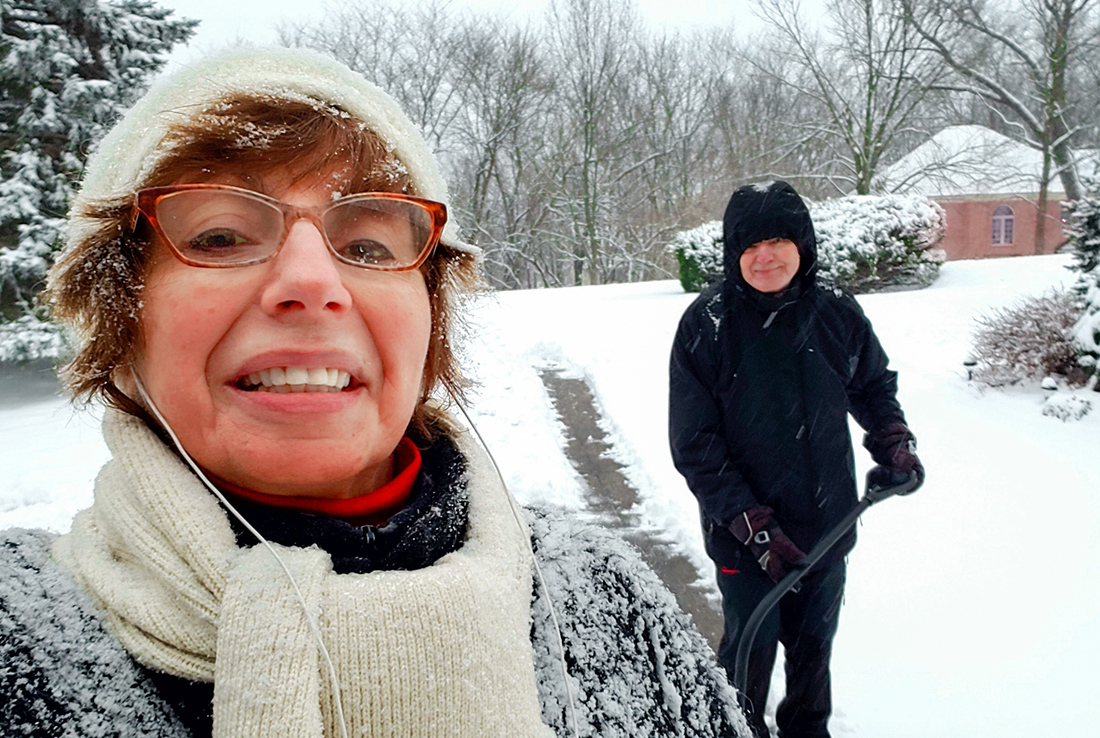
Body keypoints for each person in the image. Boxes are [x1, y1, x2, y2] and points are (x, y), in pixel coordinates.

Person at [0, 47, 751, 738]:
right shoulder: (20, 638)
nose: (312, 283)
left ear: (427, 328)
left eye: (366, 244)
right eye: (221, 235)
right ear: (117, 324)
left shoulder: (602, 595)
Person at [668, 181, 923, 738]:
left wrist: (892, 440)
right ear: (733, 252)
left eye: (778, 239)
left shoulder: (835, 310)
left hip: (826, 527)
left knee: (813, 662)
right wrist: (753, 527)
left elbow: (873, 384)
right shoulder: (707, 325)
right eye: (750, 244)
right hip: (745, 537)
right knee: (747, 662)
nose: (765, 256)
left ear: (802, 243)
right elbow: (695, 444)